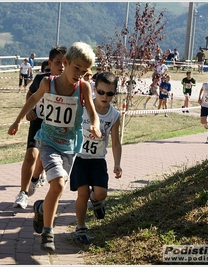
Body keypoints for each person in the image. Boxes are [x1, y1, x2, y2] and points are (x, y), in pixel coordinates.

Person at [8, 42, 101, 251]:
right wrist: (17, 121)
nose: (79, 74)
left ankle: (40, 208)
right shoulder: (48, 84)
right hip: (48, 142)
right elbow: (32, 99)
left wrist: (95, 125)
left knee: (57, 189)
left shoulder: (83, 87)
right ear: (65, 63)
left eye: (84, 70)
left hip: (70, 145)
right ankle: (48, 233)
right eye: (76, 68)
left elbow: (93, 111)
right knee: (58, 185)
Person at [70, 72, 122, 245]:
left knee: (101, 193)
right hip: (80, 157)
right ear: (95, 89)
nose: (105, 97)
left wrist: (117, 164)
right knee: (82, 193)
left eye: (110, 94)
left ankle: (96, 200)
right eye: (101, 92)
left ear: (115, 93)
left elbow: (116, 142)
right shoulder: (84, 106)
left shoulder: (114, 115)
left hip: (98, 159)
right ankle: (81, 227)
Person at [13, 46, 67, 209]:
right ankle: (23, 193)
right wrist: (29, 110)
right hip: (39, 121)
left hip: (58, 126)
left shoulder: (71, 84)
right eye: (58, 62)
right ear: (50, 63)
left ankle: (36, 179)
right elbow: (31, 95)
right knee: (31, 154)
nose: (62, 66)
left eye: (65, 62)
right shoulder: (40, 79)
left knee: (47, 158)